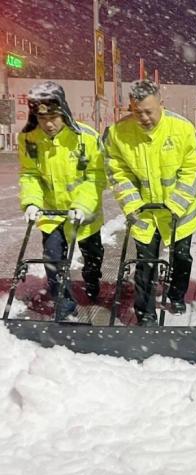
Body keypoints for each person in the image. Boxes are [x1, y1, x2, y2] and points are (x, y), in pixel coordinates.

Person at [103, 80, 196, 326]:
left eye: (149, 111)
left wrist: (176, 203)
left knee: (182, 258)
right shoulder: (118, 133)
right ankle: (146, 314)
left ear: (162, 104)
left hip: (178, 213)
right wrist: (132, 204)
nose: (144, 117)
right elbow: (117, 172)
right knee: (145, 263)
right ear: (130, 107)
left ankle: (177, 294)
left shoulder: (182, 129)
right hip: (144, 213)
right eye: (138, 112)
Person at [18, 81, 106, 320]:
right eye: (41, 117)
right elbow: (30, 174)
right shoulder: (29, 139)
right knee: (53, 259)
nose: (48, 123)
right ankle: (65, 309)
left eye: (54, 117)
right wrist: (32, 202)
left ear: (64, 111)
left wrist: (82, 205)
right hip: (52, 214)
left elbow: (96, 177)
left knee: (93, 255)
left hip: (84, 214)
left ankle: (92, 278)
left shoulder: (86, 138)